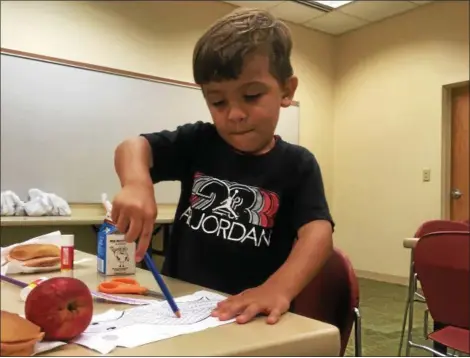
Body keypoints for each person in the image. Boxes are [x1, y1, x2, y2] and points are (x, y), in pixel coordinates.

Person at [112, 7, 334, 325]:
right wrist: (136, 183)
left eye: (252, 95)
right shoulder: (200, 141)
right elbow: (133, 146)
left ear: (287, 90)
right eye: (217, 101)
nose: (234, 114)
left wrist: (277, 289)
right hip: (182, 306)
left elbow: (318, 234)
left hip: (250, 315)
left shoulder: (298, 164)